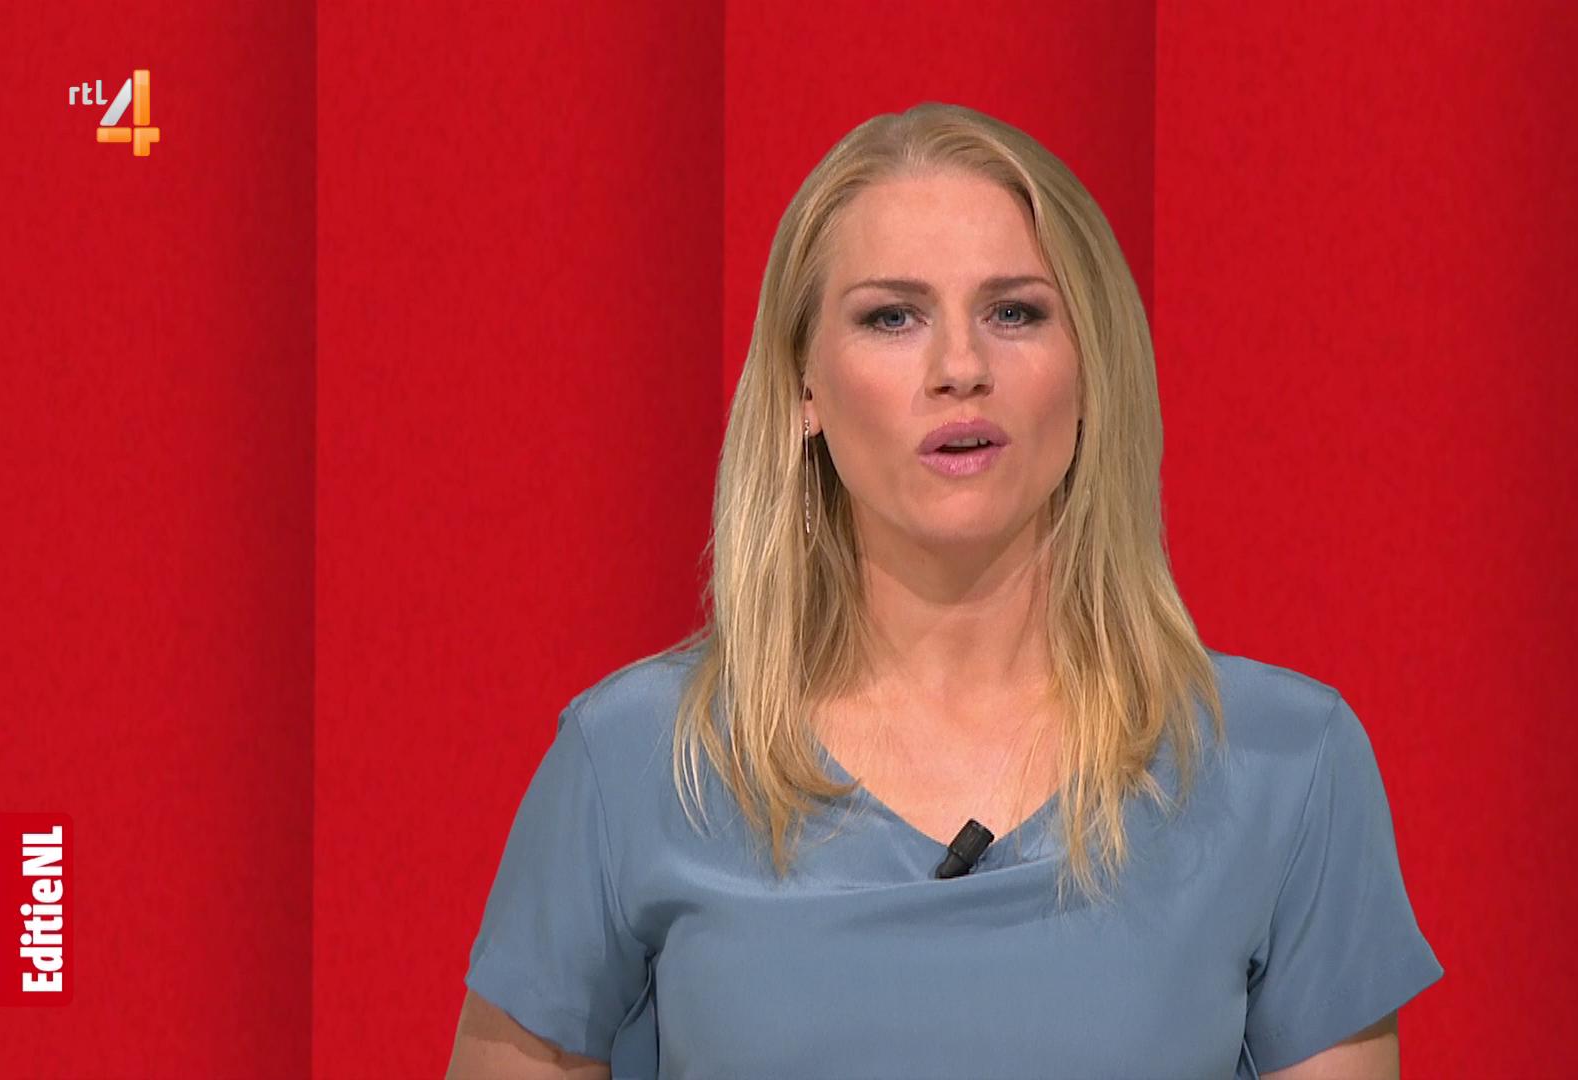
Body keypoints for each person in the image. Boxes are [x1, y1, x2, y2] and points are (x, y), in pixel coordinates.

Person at [445, 101, 1442, 1080]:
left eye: (1015, 313)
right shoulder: (634, 765)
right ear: (804, 387)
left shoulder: (1284, 768)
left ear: (1090, 370)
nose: (961, 368)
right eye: (892, 317)